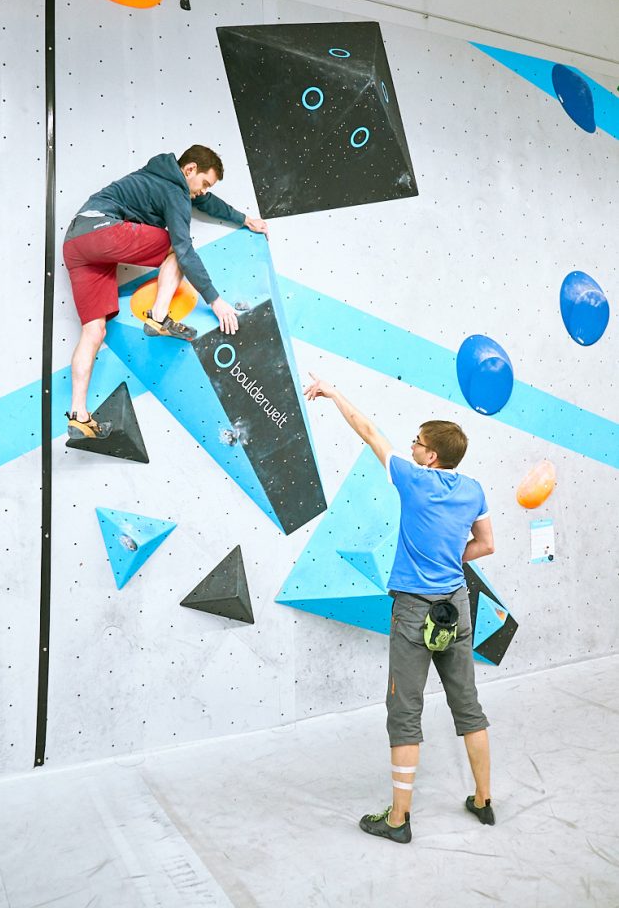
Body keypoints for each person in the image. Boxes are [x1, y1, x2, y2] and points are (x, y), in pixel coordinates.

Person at [304, 373, 496, 845]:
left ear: (431, 456)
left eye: (417, 442)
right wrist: (452, 557)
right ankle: (484, 801)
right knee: (467, 705)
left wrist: (333, 392)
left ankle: (398, 820)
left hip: (414, 610)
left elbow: (368, 430)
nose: (411, 447)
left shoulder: (411, 479)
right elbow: (486, 545)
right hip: (457, 605)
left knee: (404, 711)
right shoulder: (473, 489)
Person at [63, 145, 268, 439]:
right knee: (177, 247)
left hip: (77, 244)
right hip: (99, 229)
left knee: (94, 332)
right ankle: (158, 316)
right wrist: (216, 301)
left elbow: (207, 203)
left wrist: (244, 219)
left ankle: (79, 416)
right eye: (204, 184)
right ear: (189, 170)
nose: (201, 192)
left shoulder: (160, 177)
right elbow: (184, 249)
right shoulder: (175, 191)